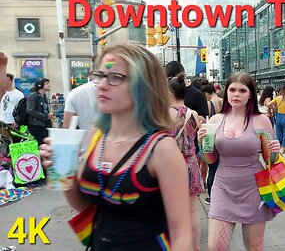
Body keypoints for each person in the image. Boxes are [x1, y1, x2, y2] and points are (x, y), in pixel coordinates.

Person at [40, 43, 193, 250]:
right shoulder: (96, 134)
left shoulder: (161, 149)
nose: (102, 85)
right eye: (100, 75)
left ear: (143, 86)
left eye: (115, 77)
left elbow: (182, 236)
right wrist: (61, 172)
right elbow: (85, 206)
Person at [197, 72, 280, 251]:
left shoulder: (262, 121)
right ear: (226, 92)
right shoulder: (216, 120)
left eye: (242, 90)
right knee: (215, 247)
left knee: (254, 248)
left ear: (250, 94)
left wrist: (275, 152)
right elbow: (210, 159)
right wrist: (203, 142)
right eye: (232, 89)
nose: (236, 94)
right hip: (222, 188)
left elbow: (269, 162)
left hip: (254, 189)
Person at [168, 73, 203, 250]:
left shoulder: (166, 114)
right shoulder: (193, 114)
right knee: (191, 210)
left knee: (172, 211)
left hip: (171, 167)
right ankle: (195, 246)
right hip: (191, 164)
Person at [267, 85, 285, 154]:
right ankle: (283, 152)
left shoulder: (277, 98)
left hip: (279, 117)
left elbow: (268, 105)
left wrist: (275, 108)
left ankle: (279, 150)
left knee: (279, 135)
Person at [27, 78, 52, 146]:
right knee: (42, 145)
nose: (49, 85)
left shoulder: (43, 96)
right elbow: (30, 110)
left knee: (46, 144)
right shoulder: (33, 96)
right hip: (36, 125)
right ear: (40, 85)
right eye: (47, 83)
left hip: (44, 125)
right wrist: (45, 116)